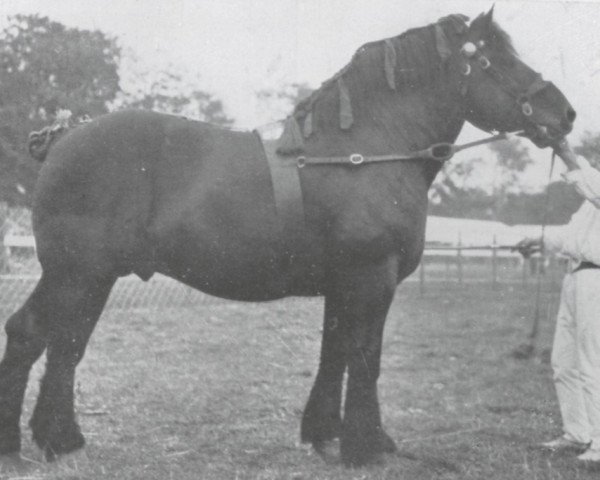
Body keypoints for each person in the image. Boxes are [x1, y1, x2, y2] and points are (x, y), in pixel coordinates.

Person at [516, 152, 600, 463]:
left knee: (593, 364)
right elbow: (571, 235)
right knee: (564, 362)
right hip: (576, 276)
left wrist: (565, 151)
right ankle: (577, 433)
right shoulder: (589, 202)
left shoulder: (595, 189)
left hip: (597, 280)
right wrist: (539, 239)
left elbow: (591, 184)